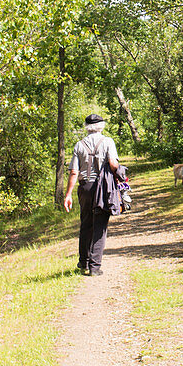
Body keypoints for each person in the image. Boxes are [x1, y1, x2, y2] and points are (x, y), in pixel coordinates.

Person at [64, 113, 120, 276]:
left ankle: (83, 263)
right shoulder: (108, 142)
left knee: (86, 224)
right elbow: (112, 164)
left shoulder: (79, 145)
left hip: (85, 188)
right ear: (101, 126)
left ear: (87, 127)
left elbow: (74, 172)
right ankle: (95, 267)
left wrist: (68, 194)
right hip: (103, 188)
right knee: (100, 225)